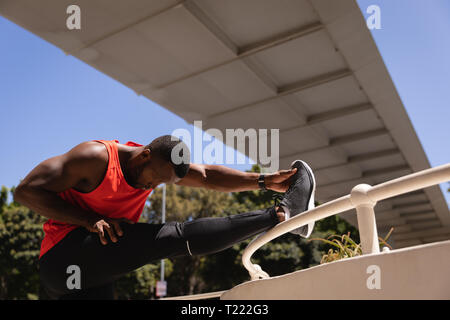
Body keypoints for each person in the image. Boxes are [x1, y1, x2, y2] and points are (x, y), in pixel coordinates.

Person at [13, 135, 316, 299]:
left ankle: (283, 210)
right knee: (172, 237)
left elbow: (208, 176)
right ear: (144, 155)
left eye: (160, 184)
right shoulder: (94, 159)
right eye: (152, 179)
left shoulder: (159, 166)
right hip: (63, 257)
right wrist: (89, 220)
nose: (151, 187)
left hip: (93, 277)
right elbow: (26, 191)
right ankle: (282, 214)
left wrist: (264, 181)